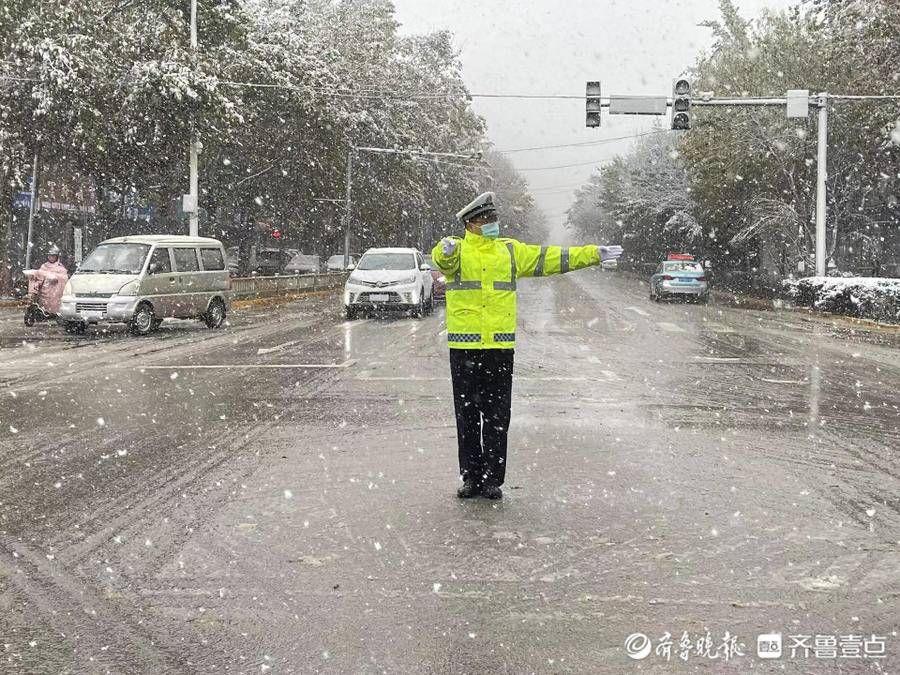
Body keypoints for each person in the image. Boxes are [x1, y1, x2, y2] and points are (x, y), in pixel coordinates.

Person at [431, 192, 623, 500]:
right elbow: (441, 260)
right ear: (470, 223)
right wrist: (448, 248)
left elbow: (551, 259)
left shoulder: (509, 251)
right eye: (486, 220)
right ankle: (471, 478)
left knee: (497, 417)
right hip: (464, 348)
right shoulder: (456, 251)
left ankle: (492, 480)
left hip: (499, 348)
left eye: (494, 219)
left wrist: (593, 254)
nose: (493, 224)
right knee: (466, 417)